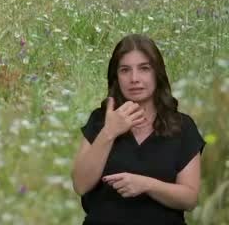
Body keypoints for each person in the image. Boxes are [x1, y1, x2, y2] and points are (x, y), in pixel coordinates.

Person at [71, 34, 206, 224]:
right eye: (125, 70)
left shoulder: (182, 126)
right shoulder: (99, 120)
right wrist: (109, 132)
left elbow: (190, 199)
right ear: (116, 77)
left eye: (144, 68)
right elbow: (80, 185)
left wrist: (147, 185)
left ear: (157, 74)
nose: (134, 78)